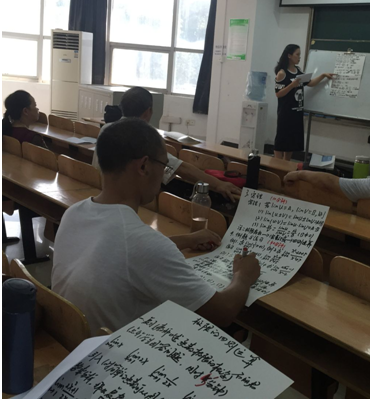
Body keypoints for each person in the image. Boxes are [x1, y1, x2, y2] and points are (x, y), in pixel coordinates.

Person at [52, 119, 261, 334]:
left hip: (72, 341)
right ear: (144, 166)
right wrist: (243, 275)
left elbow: (116, 252)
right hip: (116, 350)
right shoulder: (141, 244)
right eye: (164, 165)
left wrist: (186, 240)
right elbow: (223, 312)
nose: (163, 175)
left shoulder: (74, 212)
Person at [93, 87, 241, 202]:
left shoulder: (106, 128)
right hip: (126, 200)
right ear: (148, 111)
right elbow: (181, 168)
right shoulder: (143, 137)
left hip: (102, 192)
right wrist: (219, 184)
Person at [274, 44, 334, 161]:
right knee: (281, 139)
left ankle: (286, 163)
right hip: (285, 112)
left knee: (291, 141)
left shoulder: (299, 71)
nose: (299, 57)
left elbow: (310, 83)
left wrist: (323, 75)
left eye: (300, 55)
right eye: (297, 54)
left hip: (297, 111)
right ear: (289, 55)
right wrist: (292, 85)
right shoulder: (282, 73)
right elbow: (278, 94)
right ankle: (276, 164)